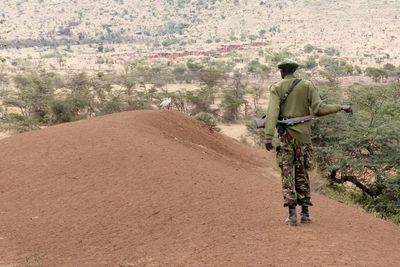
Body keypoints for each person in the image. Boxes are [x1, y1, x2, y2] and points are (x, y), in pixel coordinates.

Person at [264, 59, 352, 226]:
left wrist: (268, 136)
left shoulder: (276, 88)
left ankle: (291, 215)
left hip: (286, 138)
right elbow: (319, 108)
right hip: (304, 137)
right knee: (302, 171)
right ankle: (305, 213)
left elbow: (272, 113)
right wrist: (340, 107)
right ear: (294, 71)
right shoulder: (307, 85)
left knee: (287, 172)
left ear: (282, 72)